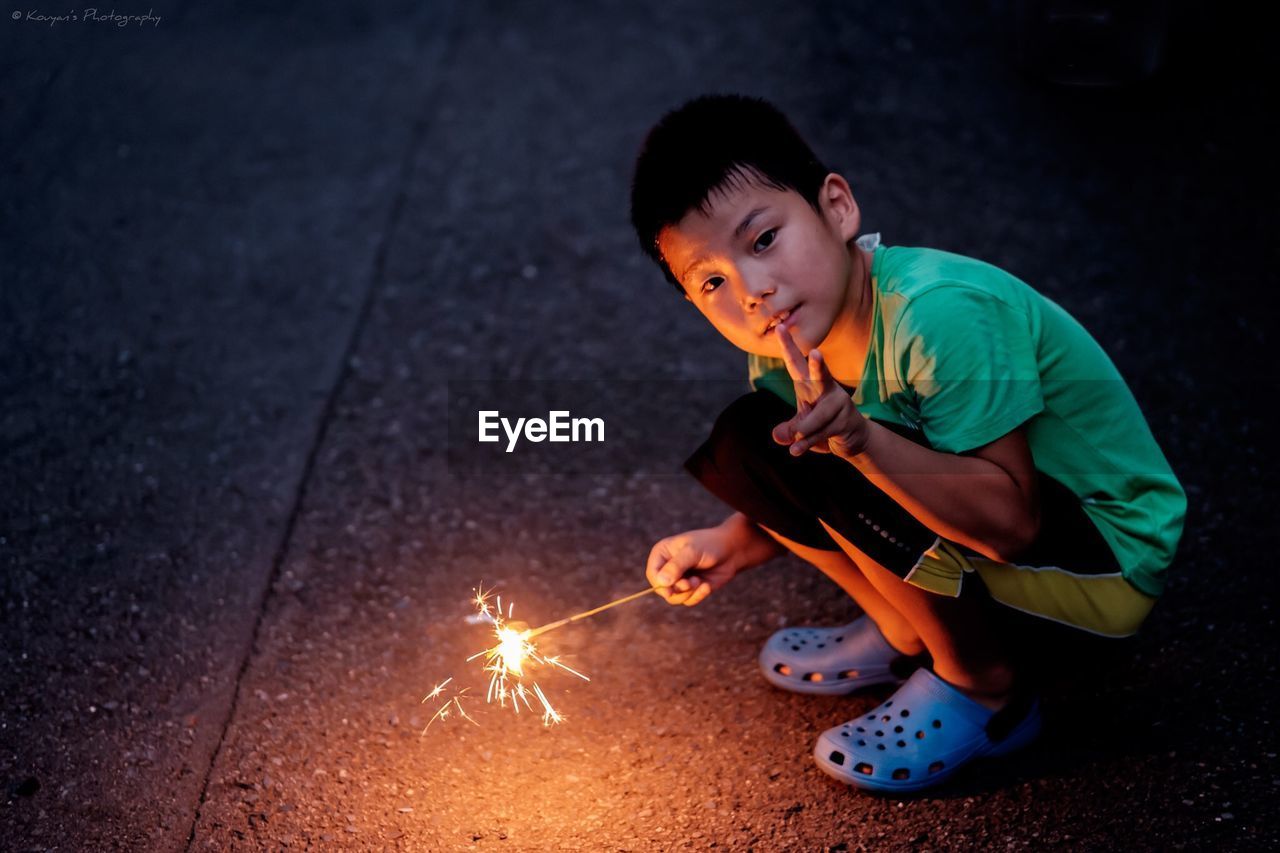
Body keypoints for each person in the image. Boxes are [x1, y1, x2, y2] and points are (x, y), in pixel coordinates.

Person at [627, 94, 1186, 793]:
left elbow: (1012, 525)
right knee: (756, 438)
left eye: (763, 239)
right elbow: (803, 476)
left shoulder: (939, 314)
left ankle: (985, 686)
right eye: (711, 280)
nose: (752, 290)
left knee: (843, 448)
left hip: (1103, 565)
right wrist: (731, 543)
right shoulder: (787, 343)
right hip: (996, 543)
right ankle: (909, 633)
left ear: (836, 207)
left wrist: (858, 440)